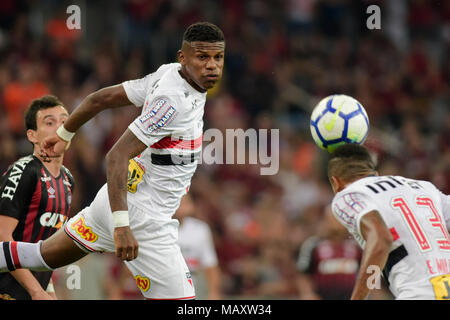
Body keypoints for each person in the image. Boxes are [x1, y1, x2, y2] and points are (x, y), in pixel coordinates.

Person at [0, 22, 225, 300]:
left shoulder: (168, 74)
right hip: (143, 221)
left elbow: (99, 99)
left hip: (110, 202)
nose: (212, 66)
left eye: (217, 57)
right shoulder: (173, 102)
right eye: (202, 57)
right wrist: (122, 227)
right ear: (183, 57)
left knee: (40, 255)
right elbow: (117, 155)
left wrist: (64, 133)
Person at [327, 143, 450, 300]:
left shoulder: (348, 195)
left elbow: (381, 240)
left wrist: (358, 297)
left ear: (336, 183)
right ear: (376, 174)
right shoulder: (425, 187)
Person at [0, 95, 74, 300]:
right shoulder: (24, 171)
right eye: (49, 123)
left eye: (64, 122)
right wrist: (36, 291)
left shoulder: (68, 179)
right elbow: (1, 235)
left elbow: (42, 248)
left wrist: (48, 292)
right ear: (32, 136)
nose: (59, 128)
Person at [296, 205, 362, 300]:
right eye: (332, 218)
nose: (335, 222)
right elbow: (303, 274)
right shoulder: (313, 245)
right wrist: (307, 293)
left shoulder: (358, 245)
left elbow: (372, 271)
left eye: (338, 218)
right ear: (325, 221)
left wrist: (373, 294)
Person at [174, 194, 222, 299]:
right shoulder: (156, 229)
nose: (182, 206)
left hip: (193, 287)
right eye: (178, 202)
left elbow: (210, 264)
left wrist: (214, 293)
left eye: (186, 202)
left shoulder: (200, 229)